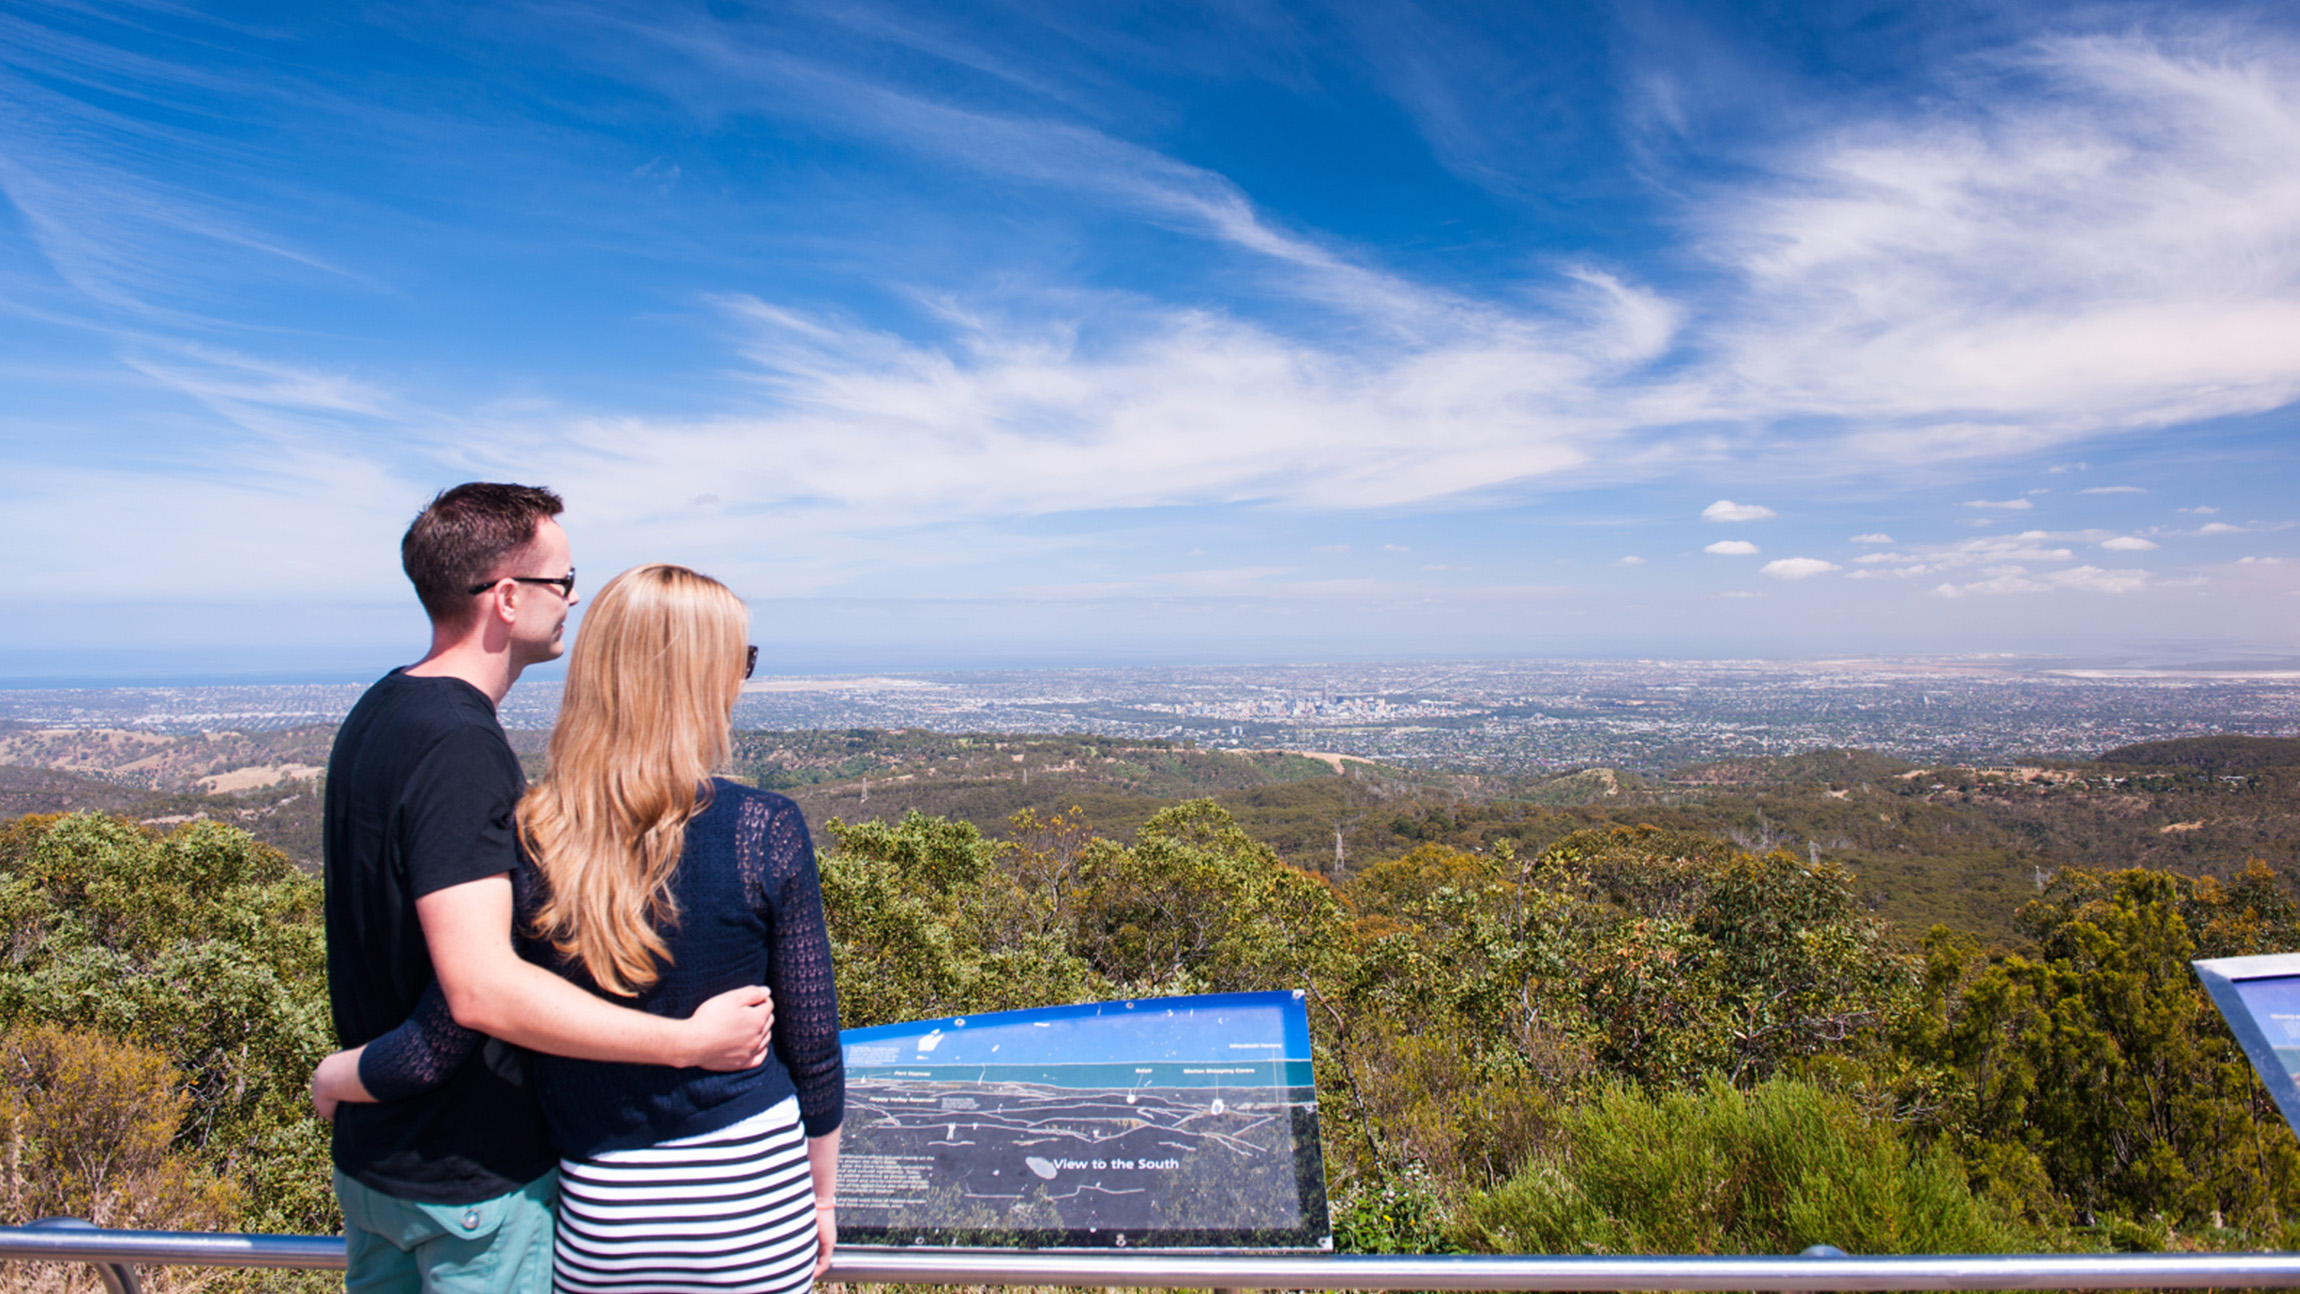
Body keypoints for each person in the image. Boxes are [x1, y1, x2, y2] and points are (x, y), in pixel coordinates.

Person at [322, 562, 846, 1294]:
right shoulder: (764, 830)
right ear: (703, 678)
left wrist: (340, 1075)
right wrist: (822, 1199)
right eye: (741, 661)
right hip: (752, 1202)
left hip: (606, 1212)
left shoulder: (535, 836)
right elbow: (813, 1044)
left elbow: (447, 1028)